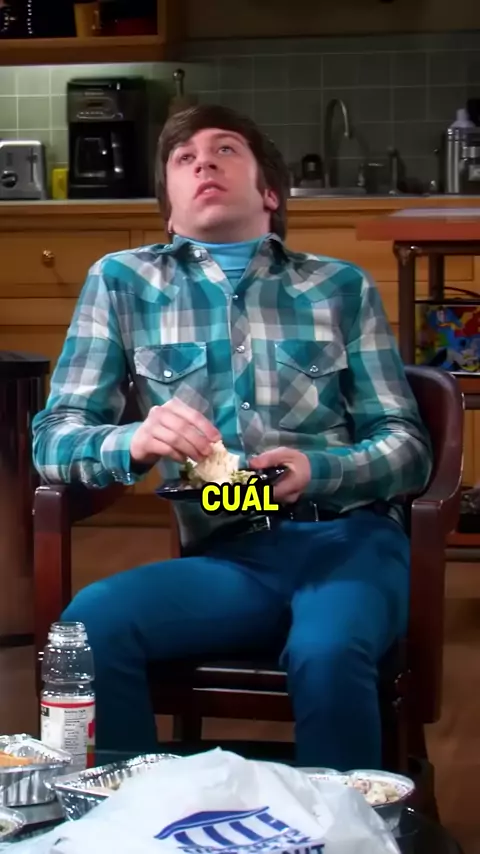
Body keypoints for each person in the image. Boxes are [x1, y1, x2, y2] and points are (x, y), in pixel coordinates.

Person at [32, 104, 433, 770]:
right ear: (168, 206)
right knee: (91, 626)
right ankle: (135, 813)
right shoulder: (123, 282)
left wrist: (317, 470)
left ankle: (344, 822)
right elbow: (54, 438)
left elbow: (408, 445)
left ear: (270, 191)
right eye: (184, 158)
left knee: (326, 652)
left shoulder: (339, 286)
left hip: (351, 541)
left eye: (224, 150)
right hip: (228, 553)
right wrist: (135, 441)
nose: (203, 164)